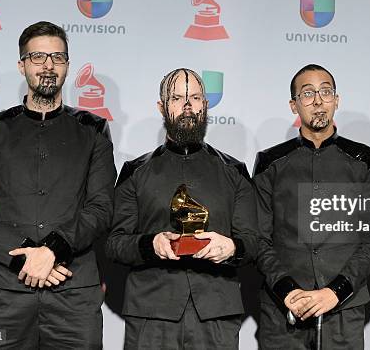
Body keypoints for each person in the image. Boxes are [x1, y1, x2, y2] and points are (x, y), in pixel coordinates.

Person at [0, 21, 116, 349]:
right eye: (38, 56)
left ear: (67, 65)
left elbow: (101, 210)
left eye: (57, 57)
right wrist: (25, 257)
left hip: (73, 294)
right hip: (4, 294)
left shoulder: (93, 131)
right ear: (22, 64)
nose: (48, 65)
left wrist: (53, 250)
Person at [105, 68, 258, 350]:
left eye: (196, 98)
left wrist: (232, 247)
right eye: (177, 98)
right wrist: (151, 244)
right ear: (162, 107)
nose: (188, 106)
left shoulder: (235, 171)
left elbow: (254, 241)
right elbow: (114, 243)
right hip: (151, 313)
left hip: (217, 313)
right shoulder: (135, 172)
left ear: (206, 105)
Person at [253, 64, 370, 349]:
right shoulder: (270, 163)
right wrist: (287, 290)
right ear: (294, 105)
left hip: (343, 309)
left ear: (336, 100)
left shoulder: (366, 160)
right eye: (308, 93)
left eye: (326, 91)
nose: (318, 100)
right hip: (282, 311)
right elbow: (258, 238)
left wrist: (336, 291)